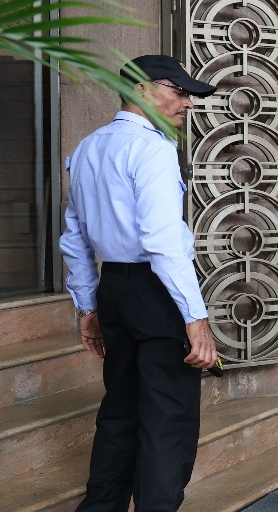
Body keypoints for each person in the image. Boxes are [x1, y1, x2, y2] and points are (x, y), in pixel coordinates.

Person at [59, 54, 219, 512]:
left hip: (114, 289)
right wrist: (195, 317)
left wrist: (88, 308)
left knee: (121, 413)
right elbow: (163, 240)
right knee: (169, 419)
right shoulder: (152, 147)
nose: (187, 103)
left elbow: (74, 239)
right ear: (141, 88)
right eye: (179, 91)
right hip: (154, 291)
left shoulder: (89, 146)